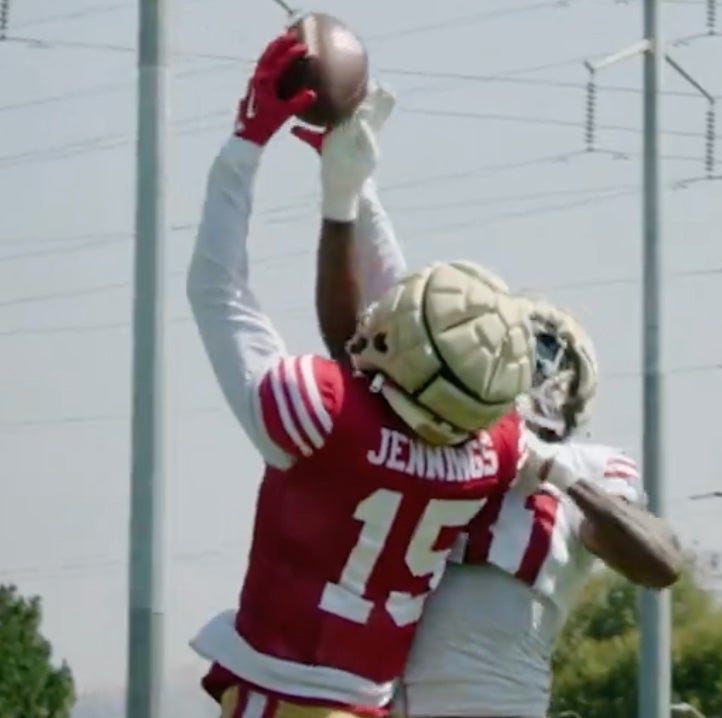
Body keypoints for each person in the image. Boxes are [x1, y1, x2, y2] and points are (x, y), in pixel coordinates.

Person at [292, 87, 684, 718]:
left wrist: (558, 477)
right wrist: (354, 188)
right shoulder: (436, 430)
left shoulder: (590, 469)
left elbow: (660, 563)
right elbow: (374, 338)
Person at [185, 31, 539, 718]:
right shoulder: (490, 450)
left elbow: (217, 290)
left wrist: (246, 143)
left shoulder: (322, 417)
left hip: (282, 696)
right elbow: (421, 350)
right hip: (366, 705)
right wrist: (352, 190)